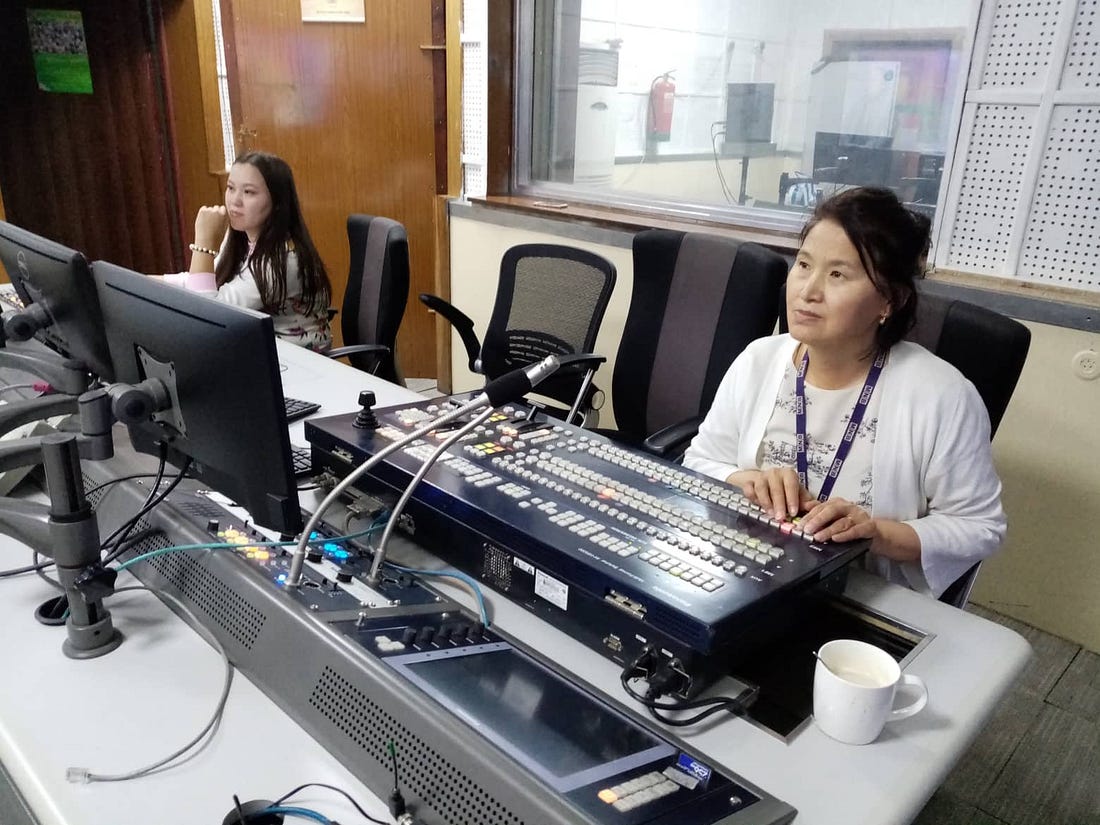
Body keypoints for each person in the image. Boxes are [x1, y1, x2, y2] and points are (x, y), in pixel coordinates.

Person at [683, 187, 1005, 597]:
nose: (808, 291)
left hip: (864, 596)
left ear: (889, 300)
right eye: (804, 265)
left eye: (837, 275)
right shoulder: (758, 360)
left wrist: (875, 533)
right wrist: (748, 481)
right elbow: (699, 462)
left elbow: (980, 527)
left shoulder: (943, 395)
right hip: (749, 575)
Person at [167, 151, 333, 351]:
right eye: (231, 188)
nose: (235, 200)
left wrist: (204, 243)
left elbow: (206, 319)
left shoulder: (283, 260)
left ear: (277, 202)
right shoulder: (242, 237)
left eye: (248, 192)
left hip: (293, 361)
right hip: (257, 349)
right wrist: (149, 282)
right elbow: (206, 283)